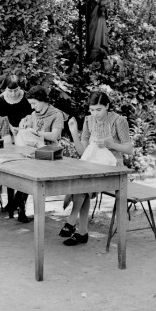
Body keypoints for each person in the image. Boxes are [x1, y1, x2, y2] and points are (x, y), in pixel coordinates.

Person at [60, 91, 133, 246]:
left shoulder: (119, 121)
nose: (95, 113)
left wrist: (110, 144)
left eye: (98, 109)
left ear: (107, 106)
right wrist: (74, 132)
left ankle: (72, 221)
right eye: (92, 109)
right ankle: (82, 232)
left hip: (113, 167)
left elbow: (129, 149)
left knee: (84, 183)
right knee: (84, 181)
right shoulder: (89, 120)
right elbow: (83, 152)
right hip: (93, 164)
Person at [8, 85, 65, 223]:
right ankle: (20, 206)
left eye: (34, 103)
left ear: (42, 100)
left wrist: (36, 133)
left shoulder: (56, 114)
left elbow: (54, 136)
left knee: (28, 169)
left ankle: (18, 201)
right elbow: (30, 131)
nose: (32, 107)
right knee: (22, 165)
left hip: (50, 153)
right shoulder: (34, 114)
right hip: (34, 152)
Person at [0, 75, 32, 218]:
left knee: (27, 168)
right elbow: (3, 119)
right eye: (9, 91)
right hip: (9, 134)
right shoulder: (1, 100)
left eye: (15, 90)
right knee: (14, 168)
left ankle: (20, 203)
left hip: (27, 133)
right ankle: (15, 202)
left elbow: (32, 115)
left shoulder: (26, 98)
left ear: (20, 88)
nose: (13, 93)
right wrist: (12, 128)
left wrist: (24, 126)